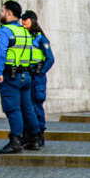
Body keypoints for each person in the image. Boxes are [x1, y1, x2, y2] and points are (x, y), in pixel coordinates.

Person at [0, 0, 40, 155]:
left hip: (10, 76)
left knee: (13, 109)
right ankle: (34, 139)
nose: (1, 14)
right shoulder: (26, 31)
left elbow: (0, 53)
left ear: (9, 13)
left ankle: (15, 141)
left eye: (3, 11)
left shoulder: (5, 31)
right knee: (28, 108)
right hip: (25, 75)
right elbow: (32, 54)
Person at [21, 10, 54, 148]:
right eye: (22, 21)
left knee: (36, 105)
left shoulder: (40, 38)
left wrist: (40, 72)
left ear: (32, 21)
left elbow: (50, 59)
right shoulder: (24, 37)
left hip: (37, 77)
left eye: (26, 21)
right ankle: (29, 135)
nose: (23, 23)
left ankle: (39, 134)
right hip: (27, 75)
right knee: (26, 106)